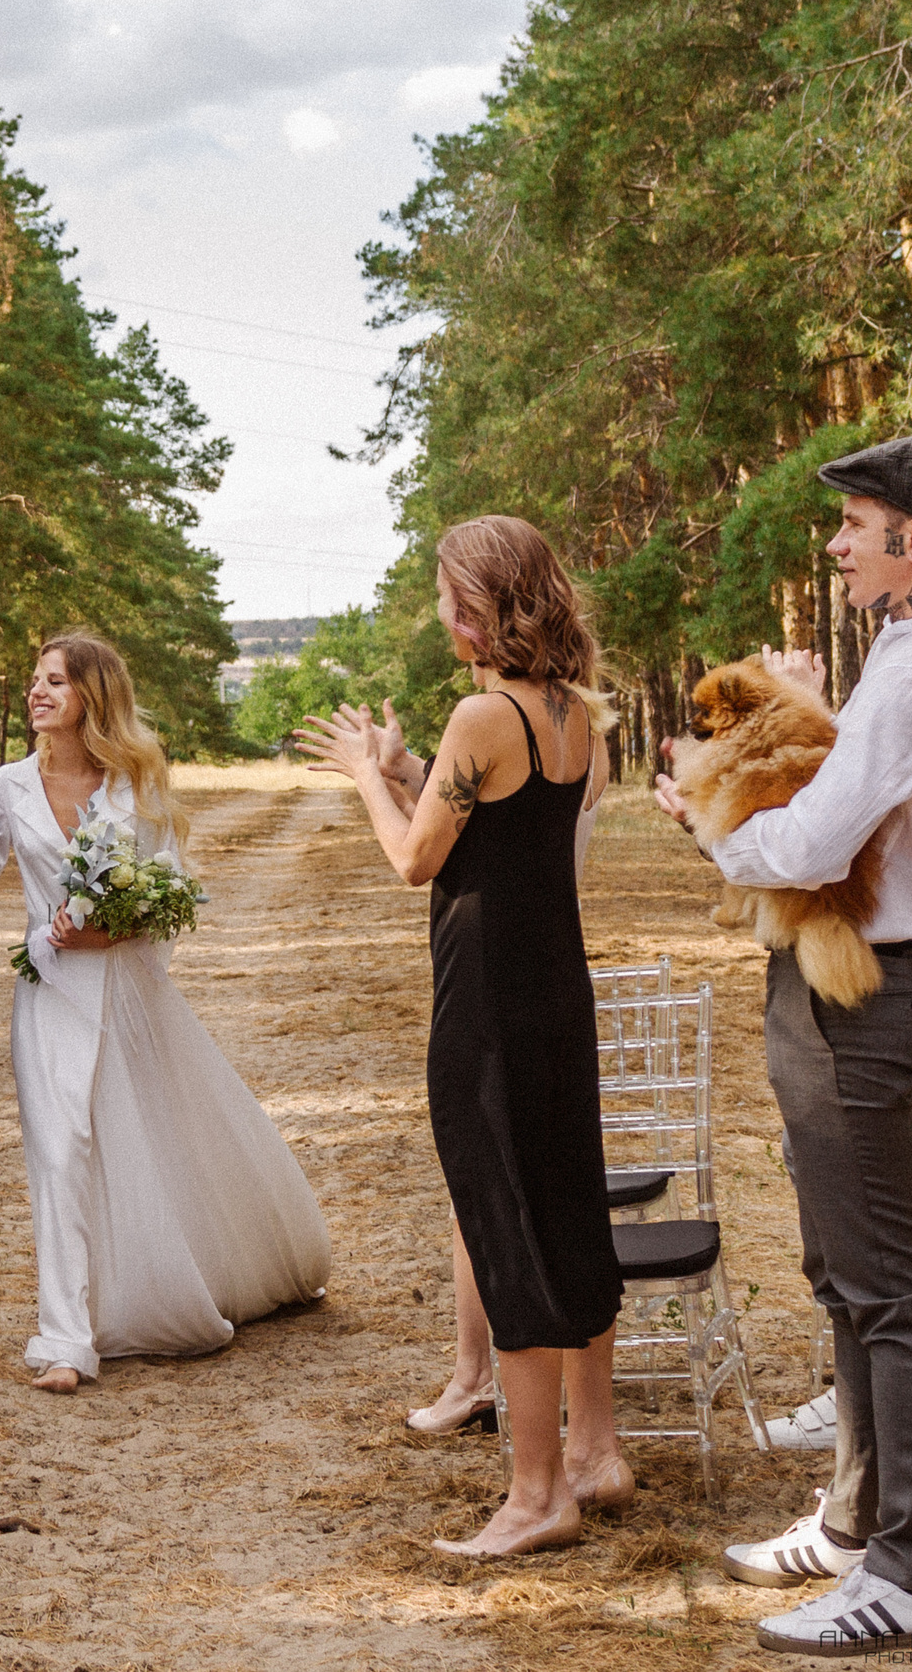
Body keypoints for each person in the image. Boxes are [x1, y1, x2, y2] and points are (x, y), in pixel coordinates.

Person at [655, 435, 912, 1656]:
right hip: (884, 983)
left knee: (890, 1292)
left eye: (853, 524)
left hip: (862, 1004)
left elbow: (810, 840)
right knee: (852, 1277)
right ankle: (860, 1526)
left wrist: (704, 818)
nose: (836, 543)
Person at [297, 514, 629, 1560]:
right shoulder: (577, 718)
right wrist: (409, 771)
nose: (439, 613)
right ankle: (596, 1454)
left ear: (481, 604)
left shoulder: (482, 713)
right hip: (557, 997)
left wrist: (363, 773)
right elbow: (497, 847)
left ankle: (536, 1497)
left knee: (504, 1220)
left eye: (446, 594)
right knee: (569, 1207)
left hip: (485, 1007)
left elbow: (413, 862)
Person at [0, 633, 330, 1391]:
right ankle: (66, 1338)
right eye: (34, 679)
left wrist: (110, 927)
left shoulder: (133, 785)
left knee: (148, 1141)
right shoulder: (9, 784)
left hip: (126, 991)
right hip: (48, 992)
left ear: (93, 696)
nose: (36, 692)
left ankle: (213, 1270)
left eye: (55, 681)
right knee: (58, 1149)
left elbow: (170, 896)